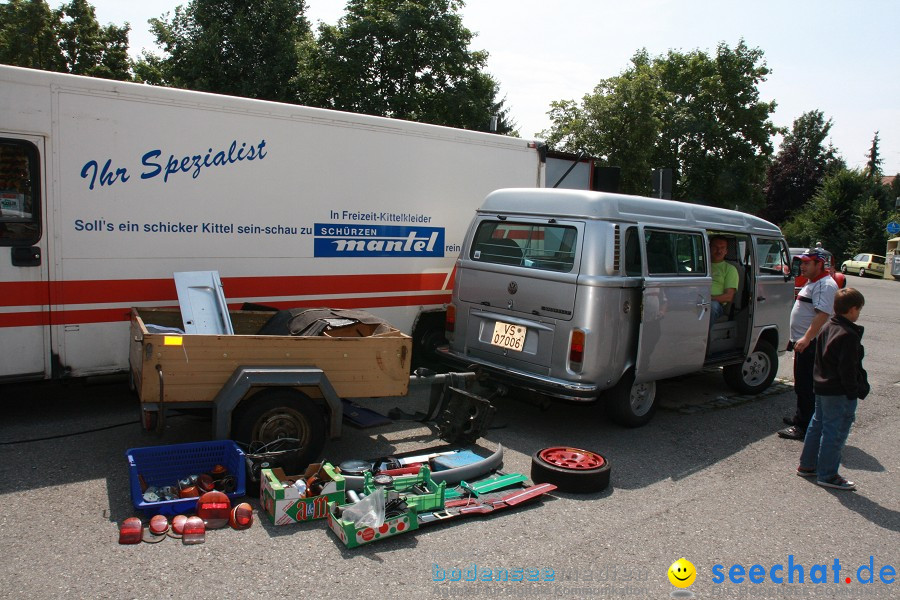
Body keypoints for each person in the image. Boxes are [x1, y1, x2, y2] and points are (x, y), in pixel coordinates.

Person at [797, 288, 869, 490]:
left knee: (817, 424)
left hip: (821, 385)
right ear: (852, 309)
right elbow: (848, 368)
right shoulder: (848, 334)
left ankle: (807, 464)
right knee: (835, 431)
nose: (859, 313)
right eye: (859, 309)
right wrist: (853, 391)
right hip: (838, 390)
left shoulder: (828, 326)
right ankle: (828, 474)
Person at [778, 247, 839, 439]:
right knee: (801, 383)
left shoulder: (825, 285)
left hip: (813, 344)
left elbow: (823, 314)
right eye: (801, 262)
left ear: (818, 264)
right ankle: (801, 418)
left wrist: (806, 338)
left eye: (806, 263)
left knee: (806, 385)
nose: (802, 266)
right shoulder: (813, 282)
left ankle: (804, 427)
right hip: (805, 342)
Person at [709, 236, 738, 326]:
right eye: (715, 247)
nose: (719, 251)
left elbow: (728, 297)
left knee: (711, 307)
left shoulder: (730, 269)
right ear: (709, 248)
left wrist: (708, 299)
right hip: (695, 300)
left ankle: (703, 338)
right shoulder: (701, 265)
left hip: (716, 304)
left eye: (722, 248)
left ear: (726, 251)